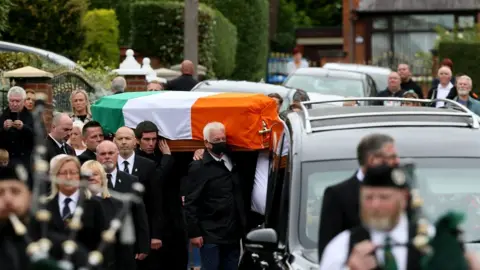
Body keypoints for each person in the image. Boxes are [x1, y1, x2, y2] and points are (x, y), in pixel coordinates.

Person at [318, 133, 400, 259]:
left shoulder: (402, 191)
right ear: (373, 160)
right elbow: (327, 251)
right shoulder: (338, 195)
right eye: (391, 157)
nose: (397, 162)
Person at [184, 122, 245, 270]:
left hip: (233, 232)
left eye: (223, 139)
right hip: (210, 233)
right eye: (216, 140)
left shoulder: (233, 158)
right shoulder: (199, 167)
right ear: (207, 143)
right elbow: (191, 202)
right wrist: (194, 233)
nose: (221, 143)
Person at [113, 126, 163, 270]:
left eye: (127, 138)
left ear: (135, 141)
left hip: (142, 230)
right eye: (120, 139)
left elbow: (156, 202)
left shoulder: (148, 166)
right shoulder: (108, 165)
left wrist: (156, 235)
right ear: (114, 141)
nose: (123, 142)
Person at [96, 140, 150, 263]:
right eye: (103, 154)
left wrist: (143, 246)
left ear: (117, 155)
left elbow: (139, 215)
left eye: (111, 153)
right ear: (97, 157)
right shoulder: (92, 180)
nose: (107, 157)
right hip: (100, 244)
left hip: (125, 243)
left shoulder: (131, 180)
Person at [81, 160, 136, 270]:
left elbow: (123, 240)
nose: (91, 178)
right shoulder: (77, 203)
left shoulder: (117, 203)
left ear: (102, 178)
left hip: (112, 262)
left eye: (95, 174)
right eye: (88, 175)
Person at [44, 154, 105, 251]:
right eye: (63, 173)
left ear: (79, 176)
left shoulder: (93, 205)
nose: (68, 177)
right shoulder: (46, 206)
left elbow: (101, 241)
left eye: (73, 173)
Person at [0, 86, 34, 167]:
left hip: (24, 162)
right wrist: (4, 129)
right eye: (12, 101)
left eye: (18, 101)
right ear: (8, 101)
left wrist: (23, 128)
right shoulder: (2, 116)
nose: (14, 104)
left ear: (23, 101)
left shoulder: (31, 117)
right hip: (5, 162)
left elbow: (38, 138)